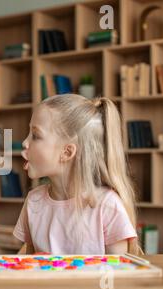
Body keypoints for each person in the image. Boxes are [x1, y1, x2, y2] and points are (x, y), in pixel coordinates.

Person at [14, 94, 140, 255]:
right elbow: (29, 267)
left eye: (36, 136)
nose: (24, 142)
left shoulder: (107, 207)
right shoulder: (33, 201)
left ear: (67, 152)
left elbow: (118, 276)